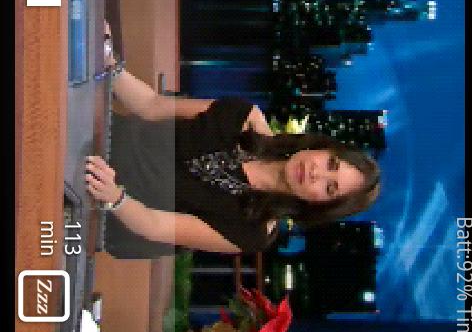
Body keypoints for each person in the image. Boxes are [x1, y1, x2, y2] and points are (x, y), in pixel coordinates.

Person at [86, 52, 381, 257]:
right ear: (321, 147)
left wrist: (113, 196)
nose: (317, 173)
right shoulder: (245, 116)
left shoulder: (253, 232)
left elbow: (154, 226)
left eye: (329, 188)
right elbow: (152, 106)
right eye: (331, 163)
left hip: (101, 197)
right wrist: (111, 63)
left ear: (321, 206)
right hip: (101, 135)